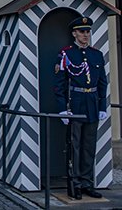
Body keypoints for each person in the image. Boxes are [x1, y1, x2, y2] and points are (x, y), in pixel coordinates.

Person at [53, 16, 107, 200]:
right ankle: (74, 183)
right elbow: (59, 84)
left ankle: (86, 183)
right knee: (75, 146)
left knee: (89, 146)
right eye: (82, 32)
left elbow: (102, 83)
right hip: (75, 103)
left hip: (92, 103)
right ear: (74, 33)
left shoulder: (96, 54)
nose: (86, 35)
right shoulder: (66, 54)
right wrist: (62, 109)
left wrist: (102, 106)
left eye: (87, 31)